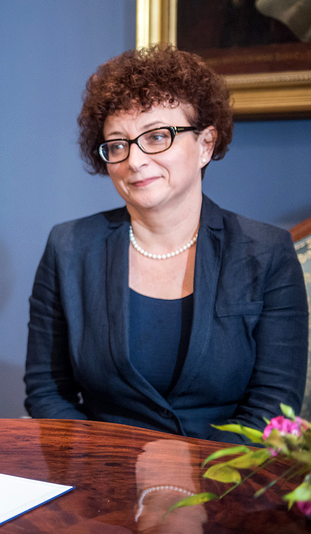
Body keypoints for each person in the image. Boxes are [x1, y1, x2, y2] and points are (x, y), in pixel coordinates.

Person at [24, 44, 307, 443]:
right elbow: (48, 390)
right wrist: (108, 465)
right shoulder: (68, 247)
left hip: (224, 474)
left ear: (205, 144)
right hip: (102, 469)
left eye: (157, 136)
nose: (135, 160)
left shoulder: (266, 251)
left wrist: (194, 470)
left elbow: (272, 407)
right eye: (118, 144)